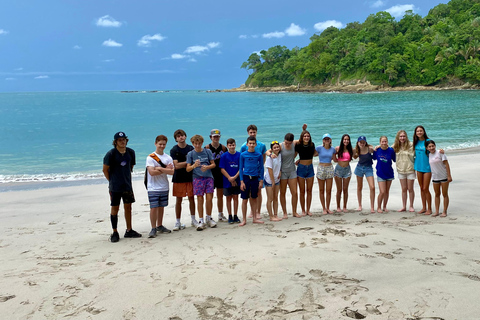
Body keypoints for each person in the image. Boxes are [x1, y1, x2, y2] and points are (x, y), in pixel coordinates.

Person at [102, 131, 142, 242]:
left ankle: (129, 230)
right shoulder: (111, 154)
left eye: (124, 139)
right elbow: (105, 169)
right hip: (115, 187)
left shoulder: (131, 152)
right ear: (115, 142)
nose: (122, 142)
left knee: (128, 207)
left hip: (127, 185)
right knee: (115, 208)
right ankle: (115, 231)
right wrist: (111, 181)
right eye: (120, 140)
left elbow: (131, 166)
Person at [145, 135, 175, 238]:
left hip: (164, 186)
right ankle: (153, 228)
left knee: (161, 206)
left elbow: (172, 172)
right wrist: (165, 169)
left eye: (164, 144)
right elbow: (151, 172)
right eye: (160, 144)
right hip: (153, 187)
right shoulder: (150, 157)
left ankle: (159, 225)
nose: (162, 146)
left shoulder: (168, 157)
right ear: (155, 144)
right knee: (154, 207)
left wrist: (160, 169)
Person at [186, 135, 217, 230]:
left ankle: (208, 217)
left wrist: (207, 167)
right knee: (199, 199)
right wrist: (194, 166)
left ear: (202, 143)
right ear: (193, 144)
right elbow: (187, 168)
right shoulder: (190, 154)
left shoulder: (207, 151)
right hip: (197, 178)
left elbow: (213, 164)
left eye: (199, 143)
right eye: (196, 143)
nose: (198, 145)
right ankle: (201, 220)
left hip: (208, 177)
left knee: (209, 198)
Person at [240, 125, 267, 219]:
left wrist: (260, 170)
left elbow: (263, 157)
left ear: (256, 132)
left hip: (257, 172)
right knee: (249, 194)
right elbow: (242, 160)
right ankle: (252, 211)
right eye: (251, 132)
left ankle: (258, 211)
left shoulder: (261, 145)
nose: (252, 134)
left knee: (258, 192)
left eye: (254, 132)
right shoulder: (244, 146)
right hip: (248, 173)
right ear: (248, 133)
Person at [170, 129, 195, 230]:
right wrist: (188, 163)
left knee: (191, 198)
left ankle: (193, 219)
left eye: (182, 135)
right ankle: (177, 221)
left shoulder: (190, 148)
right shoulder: (174, 150)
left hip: (190, 177)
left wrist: (186, 164)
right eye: (178, 136)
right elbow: (176, 166)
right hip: (178, 178)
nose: (181, 137)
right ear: (176, 139)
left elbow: (193, 163)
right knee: (178, 200)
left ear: (185, 136)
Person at [205, 129, 228, 222]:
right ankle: (208, 215)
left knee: (220, 195)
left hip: (220, 174)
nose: (216, 138)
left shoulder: (223, 148)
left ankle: (220, 214)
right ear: (211, 137)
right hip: (210, 174)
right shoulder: (207, 148)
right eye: (214, 137)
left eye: (217, 136)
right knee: (209, 196)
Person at [427, 140, 452, 217]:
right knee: (437, 194)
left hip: (443, 176)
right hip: (435, 177)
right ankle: (437, 211)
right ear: (427, 148)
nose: (431, 148)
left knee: (445, 194)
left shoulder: (440, 153)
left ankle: (444, 211)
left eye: (432, 146)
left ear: (435, 146)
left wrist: (449, 176)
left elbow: (447, 165)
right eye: (429, 146)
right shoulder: (429, 155)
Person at [295, 130, 318, 216]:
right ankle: (303, 210)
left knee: (309, 190)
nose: (306, 137)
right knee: (302, 191)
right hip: (301, 168)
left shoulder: (312, 145)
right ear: (302, 137)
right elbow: (293, 155)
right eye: (304, 136)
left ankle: (308, 210)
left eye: (308, 136)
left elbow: (316, 153)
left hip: (310, 168)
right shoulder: (298, 145)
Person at [392, 130, 415, 212]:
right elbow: (385, 148)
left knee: (410, 189)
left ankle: (411, 206)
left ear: (406, 137)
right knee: (404, 189)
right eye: (400, 136)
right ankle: (404, 206)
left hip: (410, 169)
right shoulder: (395, 146)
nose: (402, 138)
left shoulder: (411, 145)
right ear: (398, 137)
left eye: (403, 136)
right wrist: (377, 147)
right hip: (401, 170)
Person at [219, 138, 241, 224]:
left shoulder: (239, 155)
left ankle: (235, 215)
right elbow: (222, 169)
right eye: (230, 145)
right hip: (227, 180)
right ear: (227, 146)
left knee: (236, 197)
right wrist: (230, 178)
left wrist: (235, 177)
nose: (232, 147)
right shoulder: (224, 156)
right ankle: (230, 215)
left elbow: (241, 168)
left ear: (235, 145)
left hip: (237, 180)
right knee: (228, 198)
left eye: (233, 145)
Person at [373, 136, 396, 213]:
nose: (384, 143)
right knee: (382, 191)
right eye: (382, 141)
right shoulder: (377, 150)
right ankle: (378, 207)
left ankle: (384, 206)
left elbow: (395, 160)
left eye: (385, 141)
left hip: (389, 173)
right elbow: (373, 158)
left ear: (387, 142)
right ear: (380, 142)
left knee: (386, 191)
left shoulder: (391, 150)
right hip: (380, 173)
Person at [353, 136, 375, 213]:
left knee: (372, 187)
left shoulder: (369, 149)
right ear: (358, 142)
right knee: (359, 187)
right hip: (359, 168)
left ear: (365, 142)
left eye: (363, 142)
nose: (362, 143)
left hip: (369, 168)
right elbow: (345, 150)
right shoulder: (356, 150)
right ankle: (360, 205)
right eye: (360, 142)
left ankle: (372, 207)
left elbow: (377, 150)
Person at [413, 125, 432, 215]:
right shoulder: (415, 142)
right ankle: (424, 207)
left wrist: (441, 152)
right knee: (421, 188)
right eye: (417, 131)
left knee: (426, 188)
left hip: (427, 168)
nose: (419, 132)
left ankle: (429, 208)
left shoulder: (427, 141)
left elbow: (433, 150)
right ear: (415, 133)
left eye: (421, 131)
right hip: (418, 167)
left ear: (424, 131)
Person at [315, 133, 336, 214]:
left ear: (330, 140)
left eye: (328, 139)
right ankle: (323, 208)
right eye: (325, 139)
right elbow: (311, 154)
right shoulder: (319, 148)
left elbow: (335, 159)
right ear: (323, 140)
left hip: (329, 168)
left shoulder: (333, 149)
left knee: (329, 190)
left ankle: (328, 207)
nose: (326, 140)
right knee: (321, 190)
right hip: (321, 168)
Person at [333, 134, 353, 213]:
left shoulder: (350, 149)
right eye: (345, 139)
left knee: (345, 189)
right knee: (339, 190)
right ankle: (338, 207)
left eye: (347, 139)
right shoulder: (338, 148)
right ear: (342, 140)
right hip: (338, 169)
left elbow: (357, 153)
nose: (346, 141)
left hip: (347, 170)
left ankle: (344, 206)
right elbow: (334, 160)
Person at [264, 141, 282, 221]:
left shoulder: (280, 156)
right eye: (274, 147)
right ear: (272, 149)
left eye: (277, 147)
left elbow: (280, 166)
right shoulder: (269, 158)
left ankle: (275, 214)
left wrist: (280, 172)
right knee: (270, 198)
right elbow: (270, 170)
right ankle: (271, 216)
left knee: (275, 198)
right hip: (269, 181)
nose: (276, 148)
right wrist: (273, 181)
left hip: (277, 179)